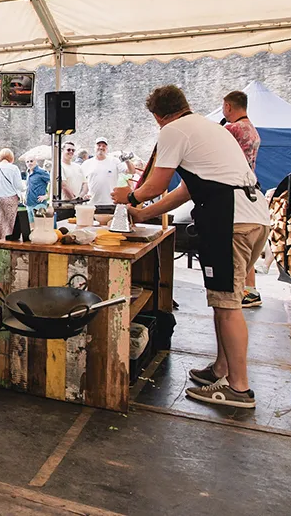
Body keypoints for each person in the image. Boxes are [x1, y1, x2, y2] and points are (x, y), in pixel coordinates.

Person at [113, 85, 270, 410]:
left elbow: (155, 184)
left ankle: (239, 389)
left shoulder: (173, 130)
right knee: (222, 298)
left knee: (227, 304)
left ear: (158, 115)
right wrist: (143, 214)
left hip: (230, 220)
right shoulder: (211, 129)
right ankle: (221, 369)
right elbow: (185, 189)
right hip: (256, 217)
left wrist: (128, 197)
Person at [222, 89, 264, 308]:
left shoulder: (232, 128)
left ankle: (236, 295)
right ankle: (251, 290)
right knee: (248, 253)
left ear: (228, 106)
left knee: (237, 252)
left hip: (234, 190)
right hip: (251, 187)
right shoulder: (252, 129)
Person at [82, 138, 135, 206]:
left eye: (104, 146)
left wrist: (127, 160)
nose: (101, 147)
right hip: (92, 203)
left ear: (107, 148)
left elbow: (132, 171)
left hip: (111, 203)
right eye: (99, 145)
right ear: (94, 147)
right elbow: (83, 182)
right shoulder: (87, 163)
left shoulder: (114, 161)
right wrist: (83, 195)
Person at [0, 149, 24, 240]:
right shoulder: (14, 168)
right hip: (11, 198)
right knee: (10, 222)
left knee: (1, 221)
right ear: (11, 157)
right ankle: (9, 240)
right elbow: (19, 185)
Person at [25, 156, 51, 221]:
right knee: (31, 227)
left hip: (39, 205)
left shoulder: (42, 172)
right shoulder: (28, 172)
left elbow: (54, 183)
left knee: (40, 226)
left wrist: (47, 196)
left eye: (31, 161)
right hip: (29, 204)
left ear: (36, 162)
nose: (29, 163)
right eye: (27, 162)